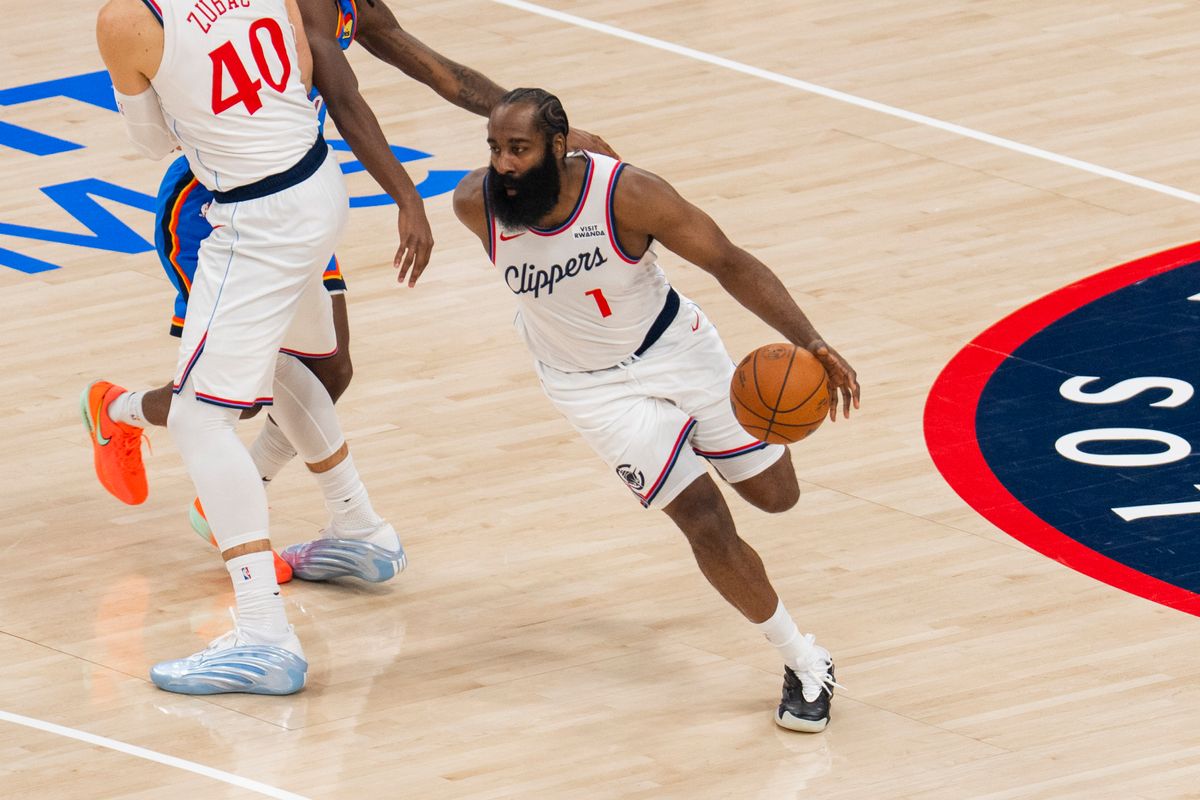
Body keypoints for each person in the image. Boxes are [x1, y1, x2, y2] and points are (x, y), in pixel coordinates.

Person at [84, 0, 615, 579]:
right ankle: (124, 416)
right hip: (217, 206)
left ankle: (286, 510)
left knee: (328, 370)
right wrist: (406, 197)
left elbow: (438, 71)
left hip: (296, 196)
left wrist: (539, 129)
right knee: (227, 401)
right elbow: (344, 100)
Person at [452, 88, 861, 732]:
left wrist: (812, 342)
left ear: (558, 148)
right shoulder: (475, 204)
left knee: (777, 497)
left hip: (676, 349)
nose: (503, 164)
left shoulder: (628, 195)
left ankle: (693, 438)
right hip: (589, 388)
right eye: (496, 148)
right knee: (703, 521)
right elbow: (449, 81)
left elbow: (729, 261)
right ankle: (805, 660)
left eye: (519, 149)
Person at [95, 0, 405, 695]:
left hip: (250, 215)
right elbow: (303, 70)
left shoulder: (125, 20)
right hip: (316, 185)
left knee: (201, 418)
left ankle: (264, 634)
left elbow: (152, 144)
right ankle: (360, 528)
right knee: (291, 363)